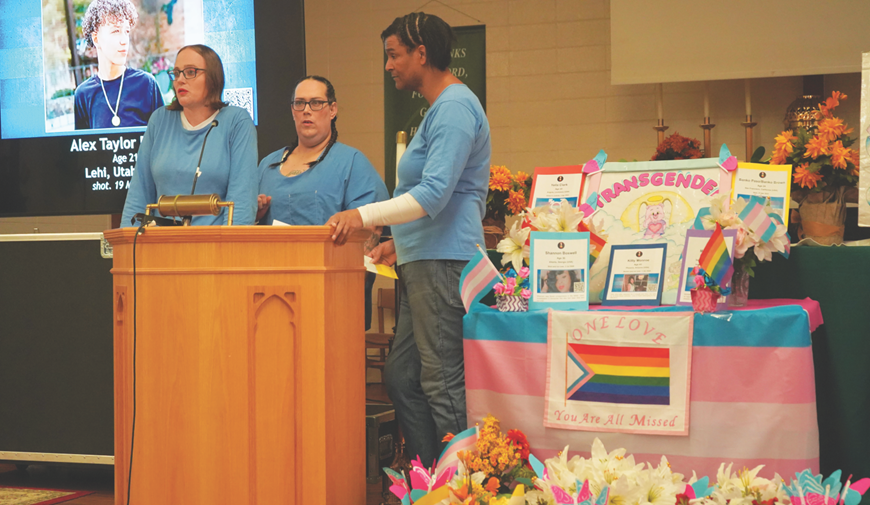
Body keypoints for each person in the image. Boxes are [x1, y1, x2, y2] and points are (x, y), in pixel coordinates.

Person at [326, 12, 491, 465]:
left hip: (443, 263)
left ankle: (466, 484)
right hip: (421, 260)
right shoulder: (439, 109)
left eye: (393, 55)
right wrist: (399, 243)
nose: (388, 66)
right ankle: (429, 478)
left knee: (440, 383)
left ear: (422, 53)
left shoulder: (455, 107)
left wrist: (362, 216)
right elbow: (442, 197)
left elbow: (435, 195)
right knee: (402, 378)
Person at [256, 75, 388, 329]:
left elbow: (372, 230)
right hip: (271, 297)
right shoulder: (266, 166)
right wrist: (254, 211)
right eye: (300, 103)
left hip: (332, 297)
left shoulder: (351, 162)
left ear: (332, 110)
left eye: (316, 103)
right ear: (292, 111)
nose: (307, 110)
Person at [120, 44, 258, 226]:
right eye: (176, 73)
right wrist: (130, 248)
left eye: (190, 72)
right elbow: (138, 196)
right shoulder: (159, 120)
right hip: (161, 247)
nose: (180, 80)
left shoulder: (236, 121)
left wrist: (227, 250)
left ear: (213, 78)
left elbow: (241, 202)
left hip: (216, 247)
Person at [75, 0, 164, 129]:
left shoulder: (146, 85)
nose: (124, 41)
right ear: (96, 39)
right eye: (115, 31)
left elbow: (165, 140)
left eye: (126, 31)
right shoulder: (83, 95)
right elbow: (82, 147)